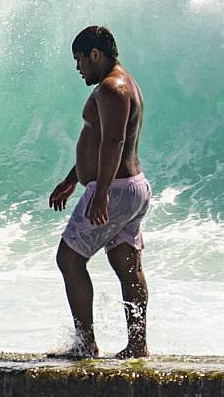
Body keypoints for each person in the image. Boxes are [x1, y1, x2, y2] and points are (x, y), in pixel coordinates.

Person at [48, 25, 152, 359]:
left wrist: (101, 192)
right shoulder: (124, 84)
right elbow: (97, 139)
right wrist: (74, 177)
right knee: (126, 266)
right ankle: (137, 346)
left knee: (69, 259)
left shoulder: (112, 89)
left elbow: (113, 142)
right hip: (131, 188)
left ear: (96, 54)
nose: (78, 68)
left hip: (116, 189)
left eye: (80, 60)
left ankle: (85, 343)